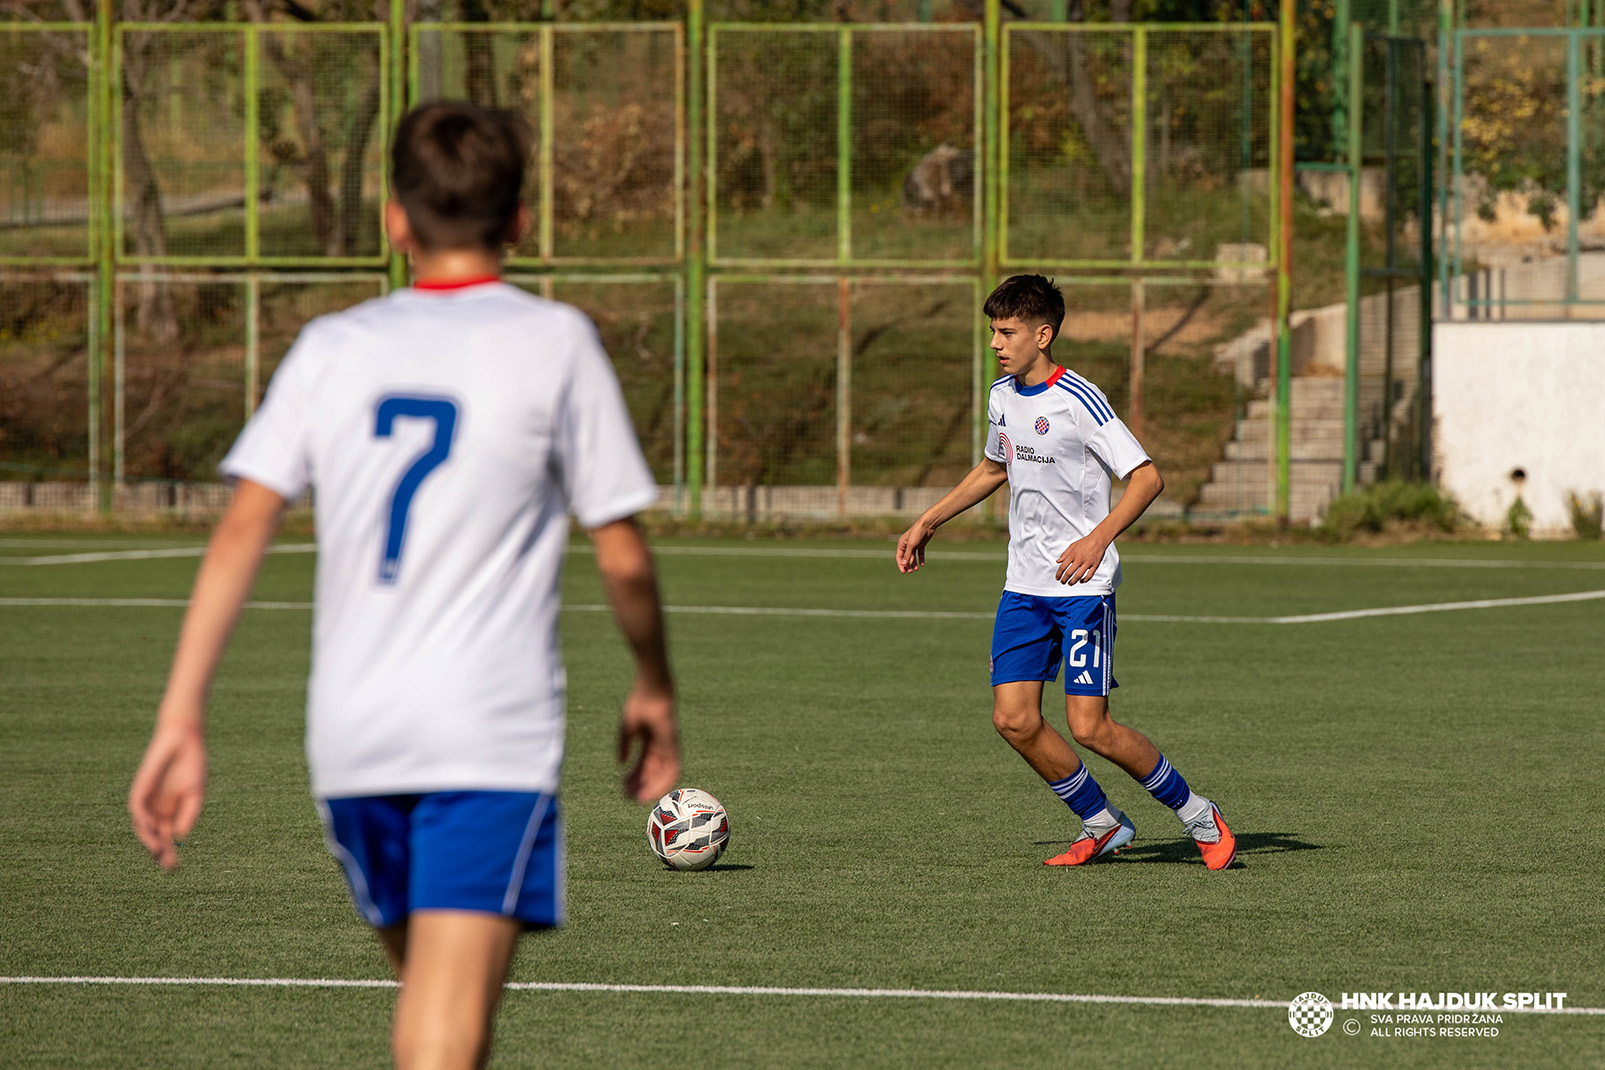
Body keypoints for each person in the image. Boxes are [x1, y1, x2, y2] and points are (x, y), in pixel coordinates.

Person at [128, 101, 682, 1069]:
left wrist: (180, 714)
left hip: (353, 737)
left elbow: (241, 530)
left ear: (394, 219)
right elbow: (623, 553)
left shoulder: (331, 346)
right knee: (444, 1033)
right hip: (486, 735)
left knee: (431, 1004)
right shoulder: (554, 341)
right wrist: (654, 683)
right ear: (520, 220)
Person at [895, 274, 1235, 871]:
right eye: (993, 332)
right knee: (1013, 719)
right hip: (1023, 586)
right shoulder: (1002, 396)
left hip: (1082, 589)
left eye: (1008, 332)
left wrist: (1097, 539)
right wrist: (928, 520)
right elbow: (993, 468)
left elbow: (1147, 479)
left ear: (1043, 334)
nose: (996, 343)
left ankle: (1198, 814)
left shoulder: (1080, 398)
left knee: (1091, 727)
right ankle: (1102, 822)